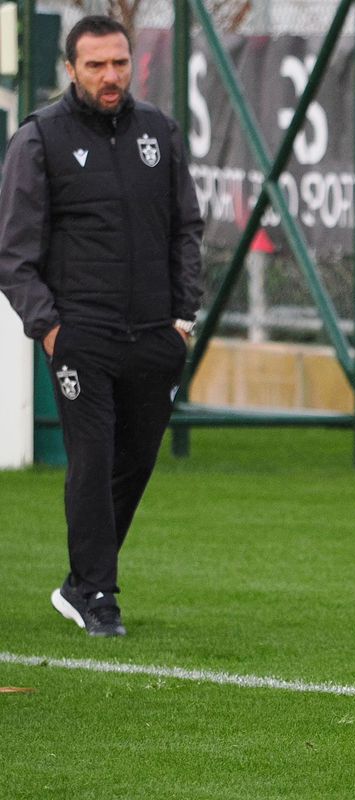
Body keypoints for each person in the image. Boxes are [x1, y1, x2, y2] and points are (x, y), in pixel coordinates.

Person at [0, 16, 203, 637]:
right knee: (91, 460)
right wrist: (49, 327)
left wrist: (183, 318)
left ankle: (78, 581)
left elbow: (185, 229)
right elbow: (13, 253)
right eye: (96, 65)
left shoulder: (159, 132)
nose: (110, 76)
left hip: (155, 334)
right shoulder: (39, 138)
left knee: (134, 462)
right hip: (80, 335)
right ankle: (96, 595)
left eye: (119, 62)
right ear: (71, 70)